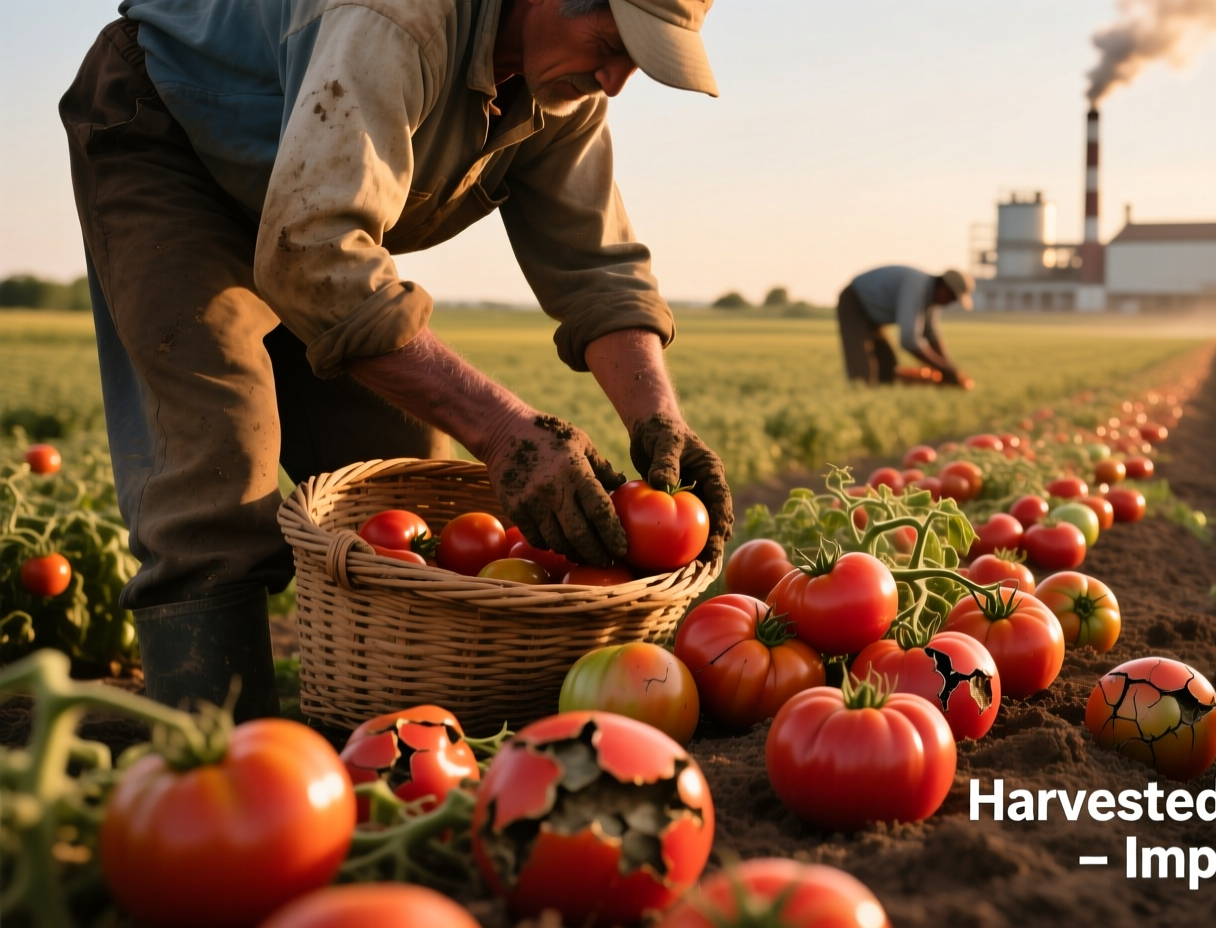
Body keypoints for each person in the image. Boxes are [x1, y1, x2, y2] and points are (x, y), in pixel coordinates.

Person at [59, 0, 733, 720]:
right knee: (217, 463)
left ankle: (396, 734)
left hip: (305, 217)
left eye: (637, 61)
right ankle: (208, 747)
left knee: (396, 472)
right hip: (171, 136)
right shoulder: (397, 19)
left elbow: (598, 268)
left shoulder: (561, 92)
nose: (616, 80)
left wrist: (659, 419)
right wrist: (503, 430)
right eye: (612, 43)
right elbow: (314, 251)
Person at [837, 266, 974, 388]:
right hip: (854, 304)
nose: (950, 303)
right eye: (951, 297)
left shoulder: (930, 298)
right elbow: (909, 339)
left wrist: (948, 367)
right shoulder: (916, 286)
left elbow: (931, 334)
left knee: (887, 368)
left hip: (873, 317)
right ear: (943, 287)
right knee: (861, 376)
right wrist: (944, 369)